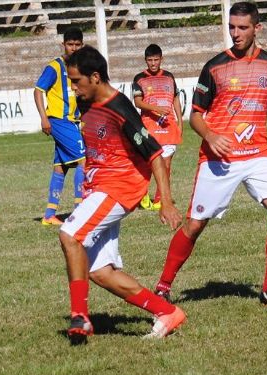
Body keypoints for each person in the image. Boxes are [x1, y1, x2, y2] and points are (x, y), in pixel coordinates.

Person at [154, 1, 267, 306]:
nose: (235, 33)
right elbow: (194, 115)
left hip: (258, 154)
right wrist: (210, 135)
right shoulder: (214, 67)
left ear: (257, 28)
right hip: (219, 159)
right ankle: (163, 286)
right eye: (231, 27)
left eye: (242, 28)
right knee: (194, 225)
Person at [59, 46, 186, 345]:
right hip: (99, 188)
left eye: (77, 81)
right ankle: (167, 312)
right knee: (100, 272)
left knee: (70, 234)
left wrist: (165, 202)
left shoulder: (121, 109)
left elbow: (154, 153)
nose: (73, 88)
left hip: (119, 188)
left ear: (95, 77)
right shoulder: (86, 104)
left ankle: (80, 315)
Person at [34, 27, 86, 226]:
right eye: (70, 44)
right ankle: (80, 210)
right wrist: (44, 118)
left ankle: (49, 214)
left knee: (60, 167)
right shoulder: (55, 67)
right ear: (63, 45)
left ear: (82, 45)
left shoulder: (81, 67)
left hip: (72, 121)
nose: (73, 48)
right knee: (84, 160)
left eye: (77, 44)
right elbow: (38, 91)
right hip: (58, 120)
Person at [132, 44, 183, 211]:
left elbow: (175, 99)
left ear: (161, 59)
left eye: (156, 60)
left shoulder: (169, 77)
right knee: (149, 164)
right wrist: (156, 109)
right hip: (149, 126)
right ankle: (142, 195)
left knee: (166, 164)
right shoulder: (139, 78)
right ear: (145, 61)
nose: (153, 63)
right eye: (149, 60)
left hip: (168, 126)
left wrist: (180, 122)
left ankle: (160, 200)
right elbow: (137, 102)